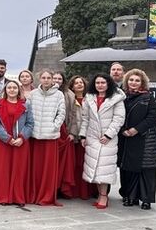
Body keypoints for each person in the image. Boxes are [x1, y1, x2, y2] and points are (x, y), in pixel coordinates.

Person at [118, 69, 156, 210]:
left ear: (142, 83)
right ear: (127, 81)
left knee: (146, 170)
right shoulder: (122, 97)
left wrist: (136, 129)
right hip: (126, 137)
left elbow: (153, 117)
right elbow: (117, 115)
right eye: (131, 80)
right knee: (128, 169)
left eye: (137, 80)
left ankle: (146, 199)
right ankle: (130, 196)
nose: (134, 83)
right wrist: (123, 130)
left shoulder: (148, 97)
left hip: (145, 138)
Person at [79, 73, 126, 210]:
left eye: (103, 83)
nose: (100, 85)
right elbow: (85, 118)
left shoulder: (116, 98)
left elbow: (118, 119)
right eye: (97, 83)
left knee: (104, 169)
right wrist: (83, 136)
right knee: (94, 168)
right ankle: (100, 194)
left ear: (108, 84)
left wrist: (108, 135)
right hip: (92, 137)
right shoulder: (89, 98)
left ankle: (104, 196)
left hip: (107, 139)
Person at [0, 81, 34, 205]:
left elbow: (30, 123)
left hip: (20, 143)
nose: (12, 90)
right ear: (5, 90)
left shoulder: (26, 105)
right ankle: (3, 196)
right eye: (9, 87)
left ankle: (18, 197)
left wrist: (22, 138)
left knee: (19, 170)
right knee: (4, 170)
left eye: (14, 87)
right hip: (3, 143)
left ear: (18, 90)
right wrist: (8, 139)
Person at [28, 70, 66, 206]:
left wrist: (54, 127)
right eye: (43, 77)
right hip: (34, 137)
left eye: (48, 77)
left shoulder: (59, 94)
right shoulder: (33, 94)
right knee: (35, 168)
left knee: (48, 169)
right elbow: (28, 112)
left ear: (52, 79)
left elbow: (61, 113)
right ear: (39, 79)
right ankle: (33, 194)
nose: (46, 80)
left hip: (50, 137)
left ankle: (46, 195)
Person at [66, 75, 94, 200]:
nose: (79, 84)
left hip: (88, 135)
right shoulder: (70, 99)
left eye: (81, 82)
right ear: (72, 86)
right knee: (76, 164)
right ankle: (75, 190)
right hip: (74, 136)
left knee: (86, 163)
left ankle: (87, 191)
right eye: (76, 83)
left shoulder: (90, 99)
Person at [53, 71, 77, 199]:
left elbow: (73, 115)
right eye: (55, 78)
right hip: (50, 131)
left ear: (63, 81)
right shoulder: (46, 92)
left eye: (59, 79)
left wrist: (72, 132)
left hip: (64, 131)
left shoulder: (70, 95)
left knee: (64, 162)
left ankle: (62, 188)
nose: (57, 81)